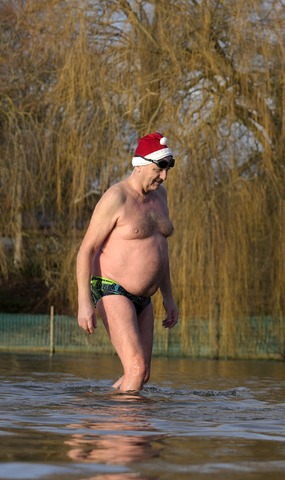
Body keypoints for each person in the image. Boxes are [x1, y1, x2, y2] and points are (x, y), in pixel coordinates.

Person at [76, 132, 180, 391]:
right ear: (140, 165)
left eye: (166, 171)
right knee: (136, 367)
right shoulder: (117, 197)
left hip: (145, 299)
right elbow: (86, 250)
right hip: (112, 289)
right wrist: (83, 302)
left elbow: (160, 250)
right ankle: (128, 430)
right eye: (158, 170)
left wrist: (168, 296)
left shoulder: (161, 197)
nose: (163, 177)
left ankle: (107, 414)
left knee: (141, 375)